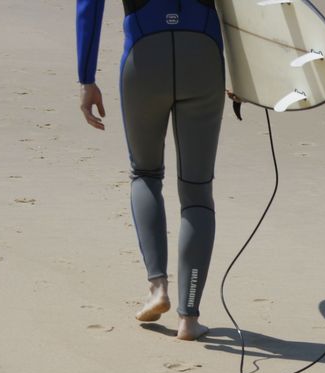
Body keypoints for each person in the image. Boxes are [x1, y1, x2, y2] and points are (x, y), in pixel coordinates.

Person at [76, 0, 225, 340]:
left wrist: (86, 78)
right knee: (197, 191)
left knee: (144, 174)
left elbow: (89, 5)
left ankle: (158, 288)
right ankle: (189, 317)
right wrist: (249, 77)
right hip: (204, 56)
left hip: (144, 58)